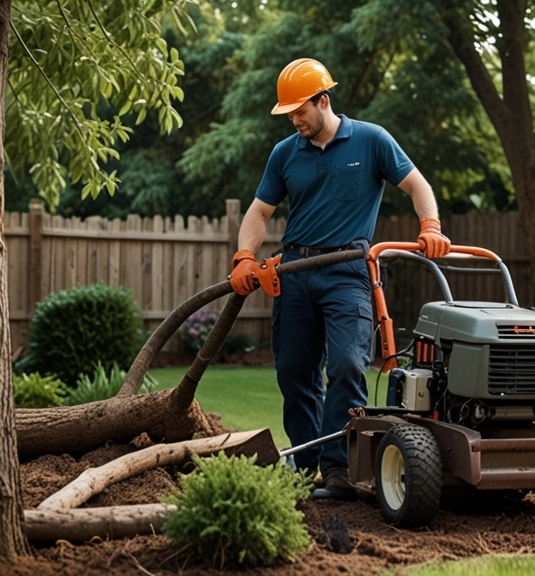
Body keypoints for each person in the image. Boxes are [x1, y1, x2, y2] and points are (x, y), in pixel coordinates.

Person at [229, 58, 450, 500]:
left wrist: (431, 227)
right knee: (294, 371)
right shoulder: (285, 153)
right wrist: (244, 255)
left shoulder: (371, 140)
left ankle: (337, 469)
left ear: (323, 101)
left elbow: (417, 185)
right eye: (289, 114)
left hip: (348, 270)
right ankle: (305, 463)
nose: (295, 120)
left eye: (300, 111)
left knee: (348, 364)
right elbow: (259, 211)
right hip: (293, 271)